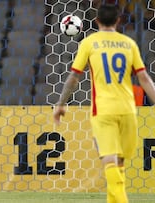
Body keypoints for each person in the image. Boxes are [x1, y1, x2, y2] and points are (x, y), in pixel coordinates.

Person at [53, 4, 155, 203]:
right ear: (118, 21)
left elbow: (74, 77)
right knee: (120, 161)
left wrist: (61, 103)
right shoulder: (128, 43)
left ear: (97, 21)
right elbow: (144, 79)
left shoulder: (90, 43)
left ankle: (121, 200)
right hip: (128, 109)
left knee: (108, 157)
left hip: (103, 109)